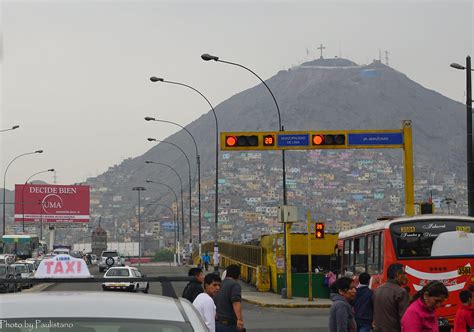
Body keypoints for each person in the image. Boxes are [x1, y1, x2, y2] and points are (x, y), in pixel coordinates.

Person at [373, 263, 409, 332]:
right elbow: (405, 318)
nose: (406, 276)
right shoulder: (401, 292)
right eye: (404, 273)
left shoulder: (378, 289)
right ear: (397, 275)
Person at [216, 264, 244, 332]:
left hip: (218, 324)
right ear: (238, 276)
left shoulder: (220, 284)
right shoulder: (235, 285)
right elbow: (236, 302)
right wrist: (240, 320)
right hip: (229, 325)